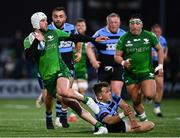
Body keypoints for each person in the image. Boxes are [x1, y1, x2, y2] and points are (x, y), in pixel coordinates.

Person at [24, 11, 109, 134]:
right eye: (43, 20)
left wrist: (94, 39)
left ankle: (89, 101)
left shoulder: (54, 32)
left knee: (64, 91)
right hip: (47, 77)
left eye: (46, 19)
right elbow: (28, 56)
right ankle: (101, 126)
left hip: (61, 69)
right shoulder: (29, 39)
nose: (46, 22)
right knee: (72, 103)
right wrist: (37, 41)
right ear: (36, 24)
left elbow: (75, 37)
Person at [114, 14, 164, 121]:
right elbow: (117, 56)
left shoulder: (150, 35)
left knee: (150, 95)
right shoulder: (124, 38)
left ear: (141, 25)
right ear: (129, 26)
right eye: (132, 24)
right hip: (130, 74)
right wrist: (123, 62)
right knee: (136, 101)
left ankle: (144, 88)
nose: (135, 26)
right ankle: (144, 120)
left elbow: (160, 49)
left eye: (137, 23)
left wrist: (160, 66)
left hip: (146, 73)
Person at [86, 13, 126, 97]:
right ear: (107, 23)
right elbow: (88, 46)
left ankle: (114, 110)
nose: (114, 24)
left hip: (118, 65)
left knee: (116, 92)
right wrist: (93, 61)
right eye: (111, 22)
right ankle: (105, 109)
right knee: (104, 93)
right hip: (103, 66)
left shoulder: (124, 35)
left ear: (120, 22)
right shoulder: (100, 33)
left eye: (116, 22)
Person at [69, 18, 89, 122]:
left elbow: (91, 55)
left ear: (85, 28)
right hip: (71, 70)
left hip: (82, 70)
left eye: (82, 26)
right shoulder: (71, 39)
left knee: (81, 92)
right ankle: (72, 114)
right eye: (78, 25)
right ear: (75, 27)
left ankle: (75, 112)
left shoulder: (88, 42)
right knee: (74, 92)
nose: (80, 27)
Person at [151, 24, 168, 117]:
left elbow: (165, 49)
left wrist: (165, 54)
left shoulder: (162, 40)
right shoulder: (148, 39)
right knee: (142, 88)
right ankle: (139, 108)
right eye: (155, 32)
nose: (157, 34)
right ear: (152, 31)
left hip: (158, 64)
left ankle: (157, 107)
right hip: (148, 65)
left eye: (159, 32)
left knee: (160, 85)